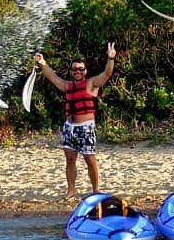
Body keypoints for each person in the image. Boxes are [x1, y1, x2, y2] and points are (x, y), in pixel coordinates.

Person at [33, 42, 116, 199]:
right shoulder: (67, 85)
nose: (78, 71)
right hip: (69, 127)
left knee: (89, 158)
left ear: (85, 71)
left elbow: (107, 74)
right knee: (70, 159)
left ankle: (96, 190)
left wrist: (110, 58)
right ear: (71, 71)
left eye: (80, 69)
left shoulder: (91, 83)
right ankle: (71, 190)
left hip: (86, 127)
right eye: (75, 69)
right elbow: (52, 76)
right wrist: (42, 63)